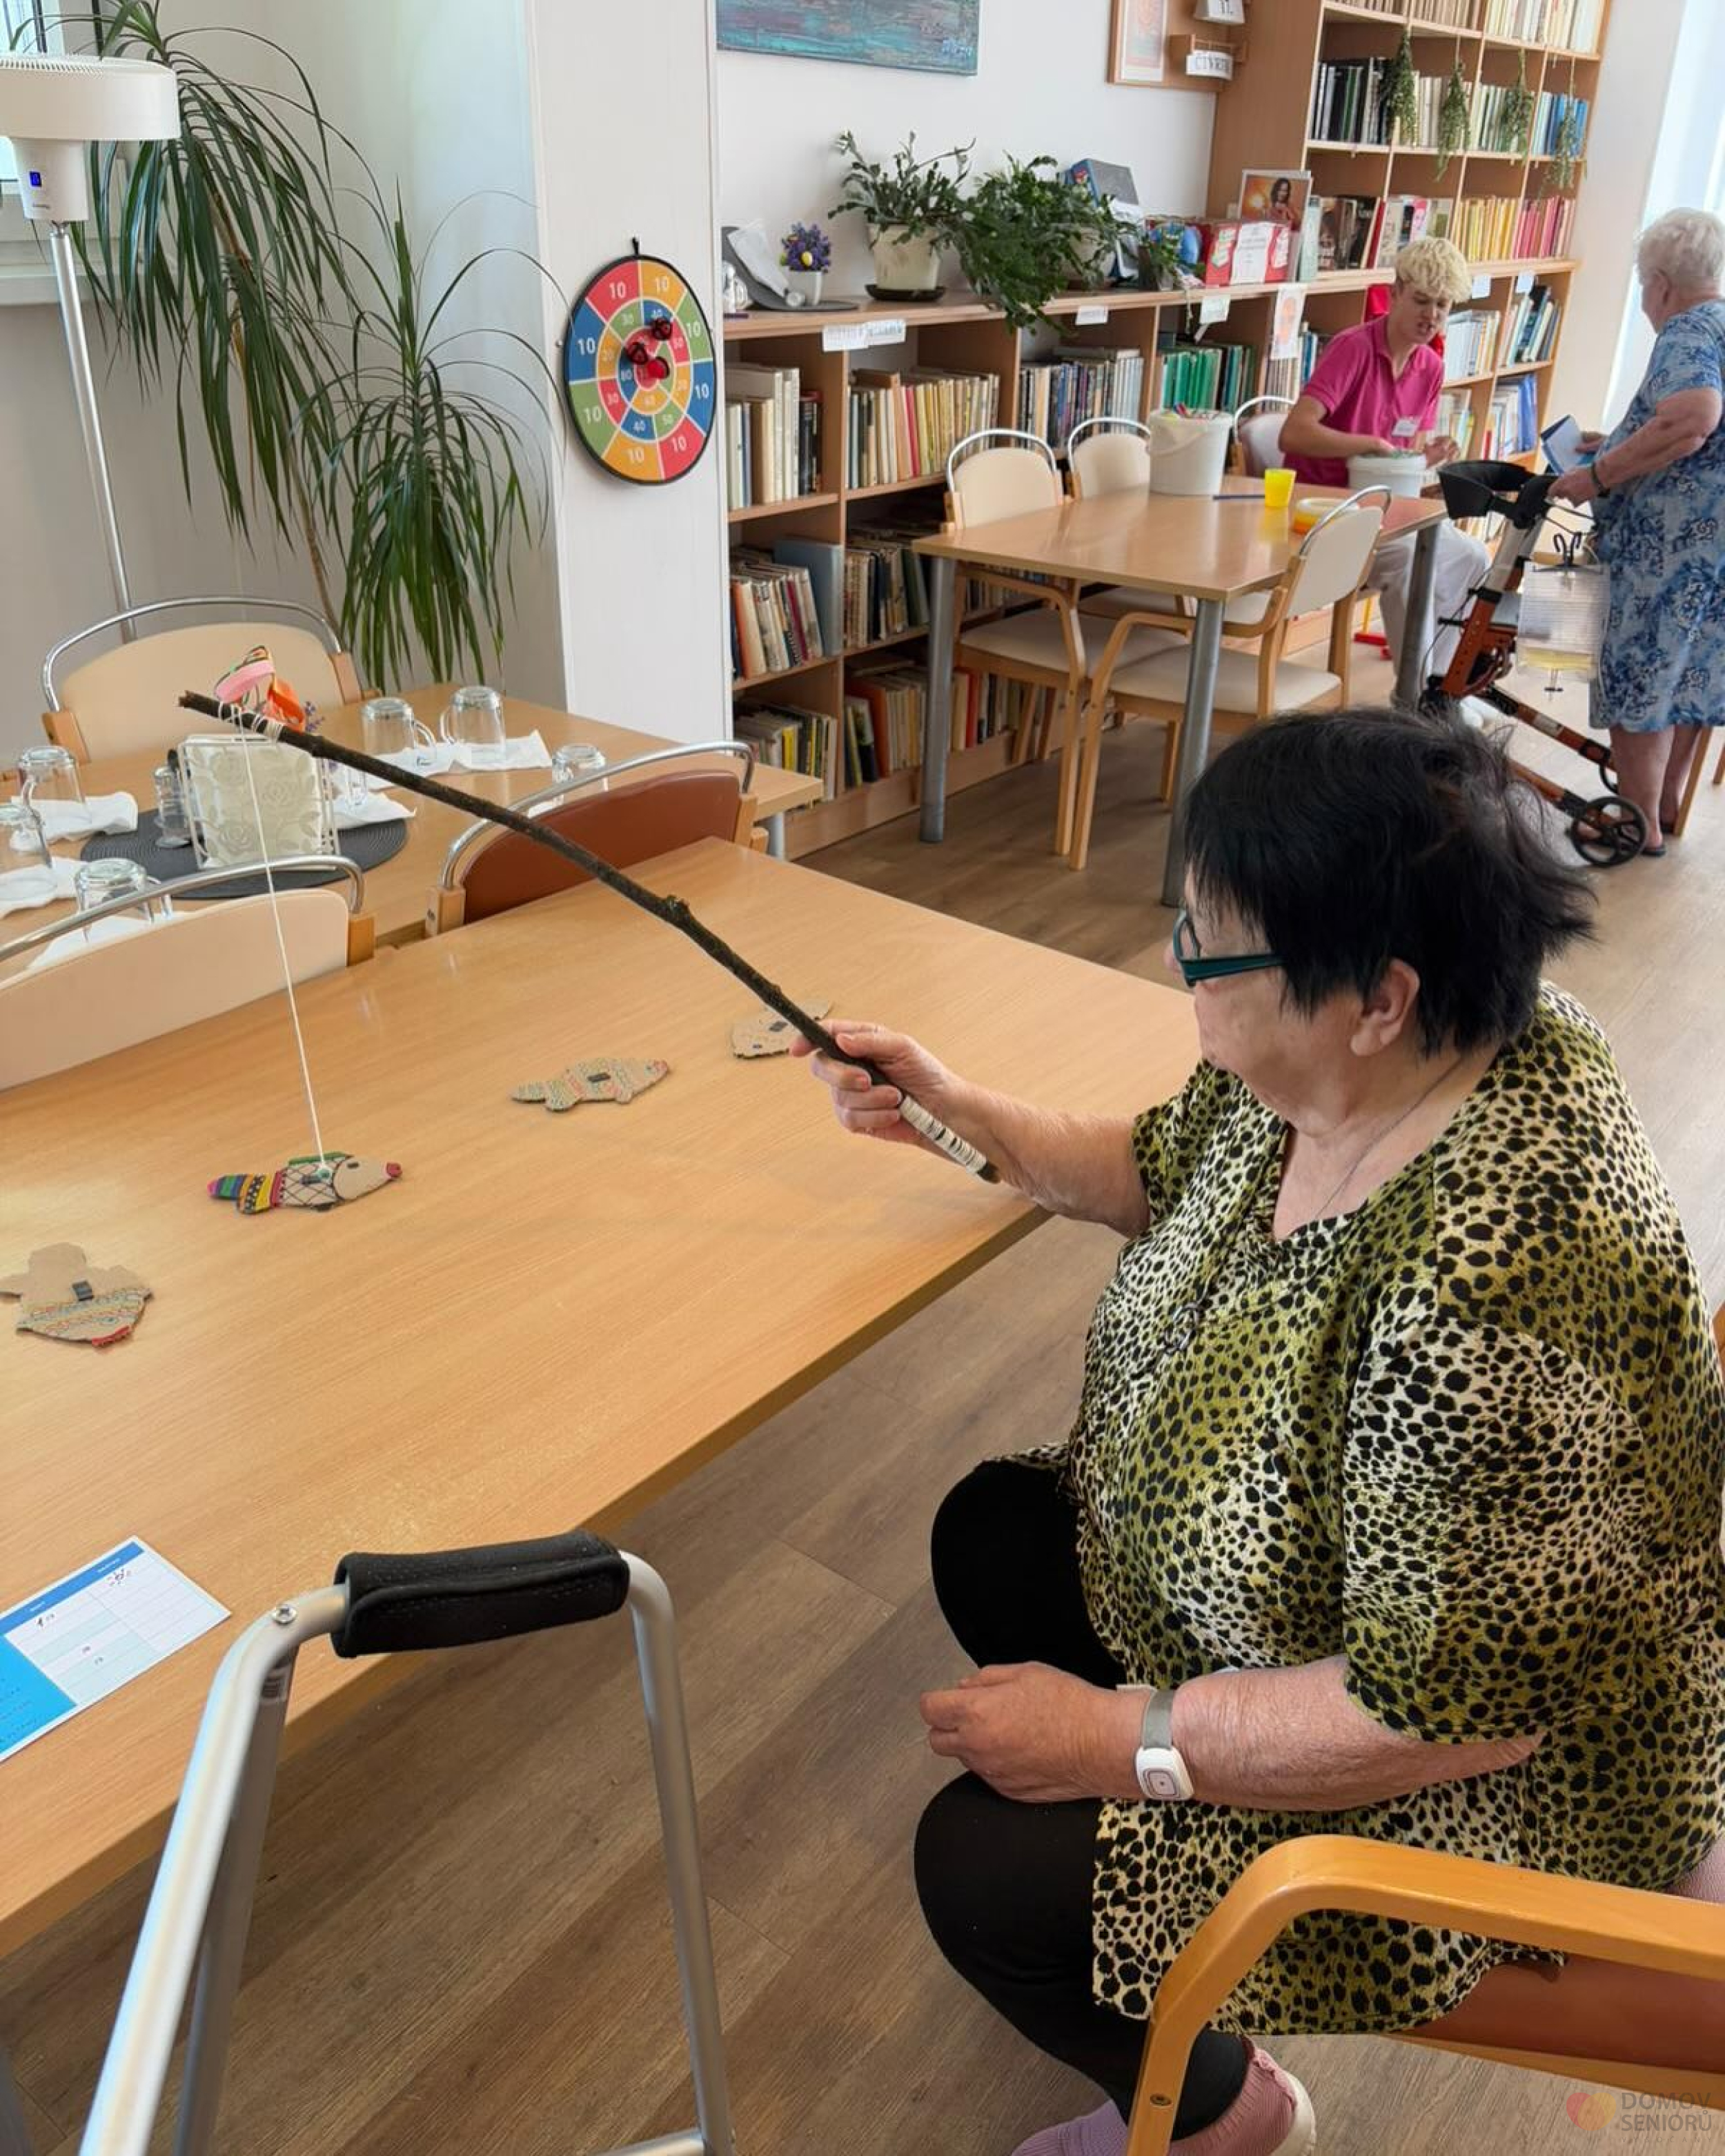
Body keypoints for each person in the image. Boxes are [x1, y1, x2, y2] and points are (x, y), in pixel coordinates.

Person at [796, 711, 1725, 2156]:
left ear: (1375, 996)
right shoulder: (1355, 1063)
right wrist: (954, 1111)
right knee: (995, 1535)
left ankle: (1227, 2114)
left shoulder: (1496, 1283)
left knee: (978, 1868)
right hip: (1360, 1609)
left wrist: (1116, 1742)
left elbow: (1442, 1718)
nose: (1179, 968)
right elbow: (1156, 1164)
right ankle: (1148, 1951)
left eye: (1206, 947)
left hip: (1499, 1774)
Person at [1550, 208, 1725, 854]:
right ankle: (1664, 803)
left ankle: (1634, 822)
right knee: (1686, 674)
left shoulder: (1684, 332)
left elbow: (1694, 417)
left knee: (1640, 676)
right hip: (1712, 549)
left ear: (1660, 284)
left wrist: (1598, 474)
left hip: (1667, 550)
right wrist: (1619, 440)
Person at [1279, 237, 1486, 673]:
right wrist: (1366, 444)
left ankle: (1437, 684)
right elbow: (1293, 434)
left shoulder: (1430, 367)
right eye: (1421, 301)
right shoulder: (1354, 348)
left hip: (1385, 511)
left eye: (1443, 305)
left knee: (1474, 558)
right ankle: (1413, 693)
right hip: (1326, 512)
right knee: (1410, 560)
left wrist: (1426, 458)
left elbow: (1398, 454)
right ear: (1395, 295)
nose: (1432, 316)